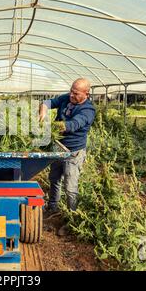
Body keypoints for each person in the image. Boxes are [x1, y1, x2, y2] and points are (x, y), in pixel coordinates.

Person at [39, 78, 96, 236]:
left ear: (86, 93)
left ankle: (72, 221)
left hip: (73, 152)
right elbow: (48, 102)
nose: (71, 94)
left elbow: (72, 125)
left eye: (75, 93)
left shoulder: (88, 110)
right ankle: (53, 207)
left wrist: (48, 127)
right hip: (58, 147)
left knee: (70, 188)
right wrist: (43, 110)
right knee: (54, 178)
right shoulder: (67, 98)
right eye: (71, 90)